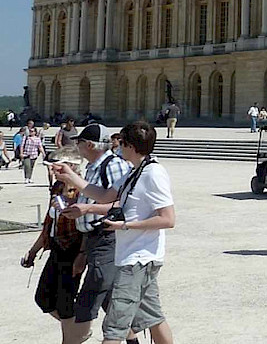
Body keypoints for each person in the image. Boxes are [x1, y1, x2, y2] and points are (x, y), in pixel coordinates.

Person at [50, 120, 176, 344]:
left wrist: (125, 225)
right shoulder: (135, 171)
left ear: (130, 146)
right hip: (132, 256)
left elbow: (168, 219)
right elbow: (105, 195)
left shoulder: (153, 173)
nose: (116, 146)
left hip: (139, 259)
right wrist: (70, 176)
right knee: (152, 318)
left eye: (121, 143)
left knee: (115, 327)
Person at [65, 124, 132, 344]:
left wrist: (87, 209)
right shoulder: (93, 167)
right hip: (94, 239)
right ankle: (133, 339)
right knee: (110, 299)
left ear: (90, 144)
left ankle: (74, 340)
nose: (77, 146)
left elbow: (123, 204)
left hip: (108, 236)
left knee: (90, 294)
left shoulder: (113, 166)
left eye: (80, 142)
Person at [22, 146, 84, 344]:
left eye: (55, 167)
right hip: (57, 248)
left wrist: (82, 256)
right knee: (43, 298)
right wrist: (33, 251)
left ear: (71, 167)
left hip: (73, 251)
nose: (51, 171)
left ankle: (72, 338)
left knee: (66, 303)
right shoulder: (57, 187)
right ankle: (79, 332)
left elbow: (87, 229)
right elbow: (49, 225)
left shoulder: (83, 190)